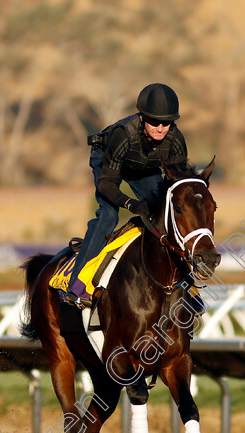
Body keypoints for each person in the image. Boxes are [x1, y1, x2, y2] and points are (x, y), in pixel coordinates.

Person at [63, 83, 188, 308]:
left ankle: (185, 285)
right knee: (108, 216)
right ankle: (77, 286)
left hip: (145, 166)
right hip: (108, 161)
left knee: (164, 212)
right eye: (154, 122)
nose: (161, 128)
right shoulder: (123, 135)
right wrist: (131, 203)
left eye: (166, 123)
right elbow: (106, 185)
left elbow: (179, 185)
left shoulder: (176, 139)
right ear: (142, 118)